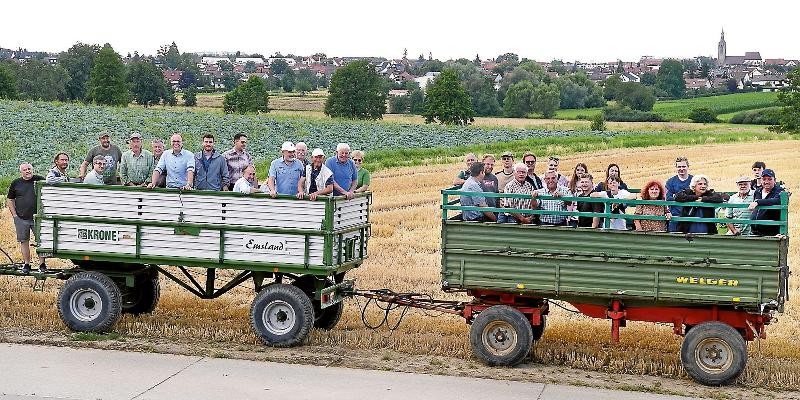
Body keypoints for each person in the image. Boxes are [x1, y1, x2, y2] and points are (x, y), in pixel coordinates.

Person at [6, 163, 46, 274]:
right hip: (21, 218)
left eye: (29, 169)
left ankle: (42, 264)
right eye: (25, 170)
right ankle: (27, 264)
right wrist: (14, 215)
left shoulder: (39, 180)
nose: (27, 171)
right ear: (21, 172)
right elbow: (10, 200)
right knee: (24, 242)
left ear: (32, 169)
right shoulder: (16, 183)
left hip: (37, 218)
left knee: (41, 242)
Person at [748, 169, 785, 236]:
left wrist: (758, 202)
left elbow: (776, 200)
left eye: (769, 179)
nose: (766, 182)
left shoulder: (779, 191)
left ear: (775, 180)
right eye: (764, 179)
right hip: (754, 232)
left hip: (771, 233)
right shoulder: (758, 191)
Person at [665, 157, 693, 232]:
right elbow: (668, 198)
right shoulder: (670, 182)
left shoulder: (694, 180)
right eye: (679, 167)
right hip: (675, 217)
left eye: (683, 166)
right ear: (676, 168)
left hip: (691, 216)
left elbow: (697, 196)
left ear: (688, 167)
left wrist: (677, 196)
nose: (681, 169)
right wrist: (686, 197)